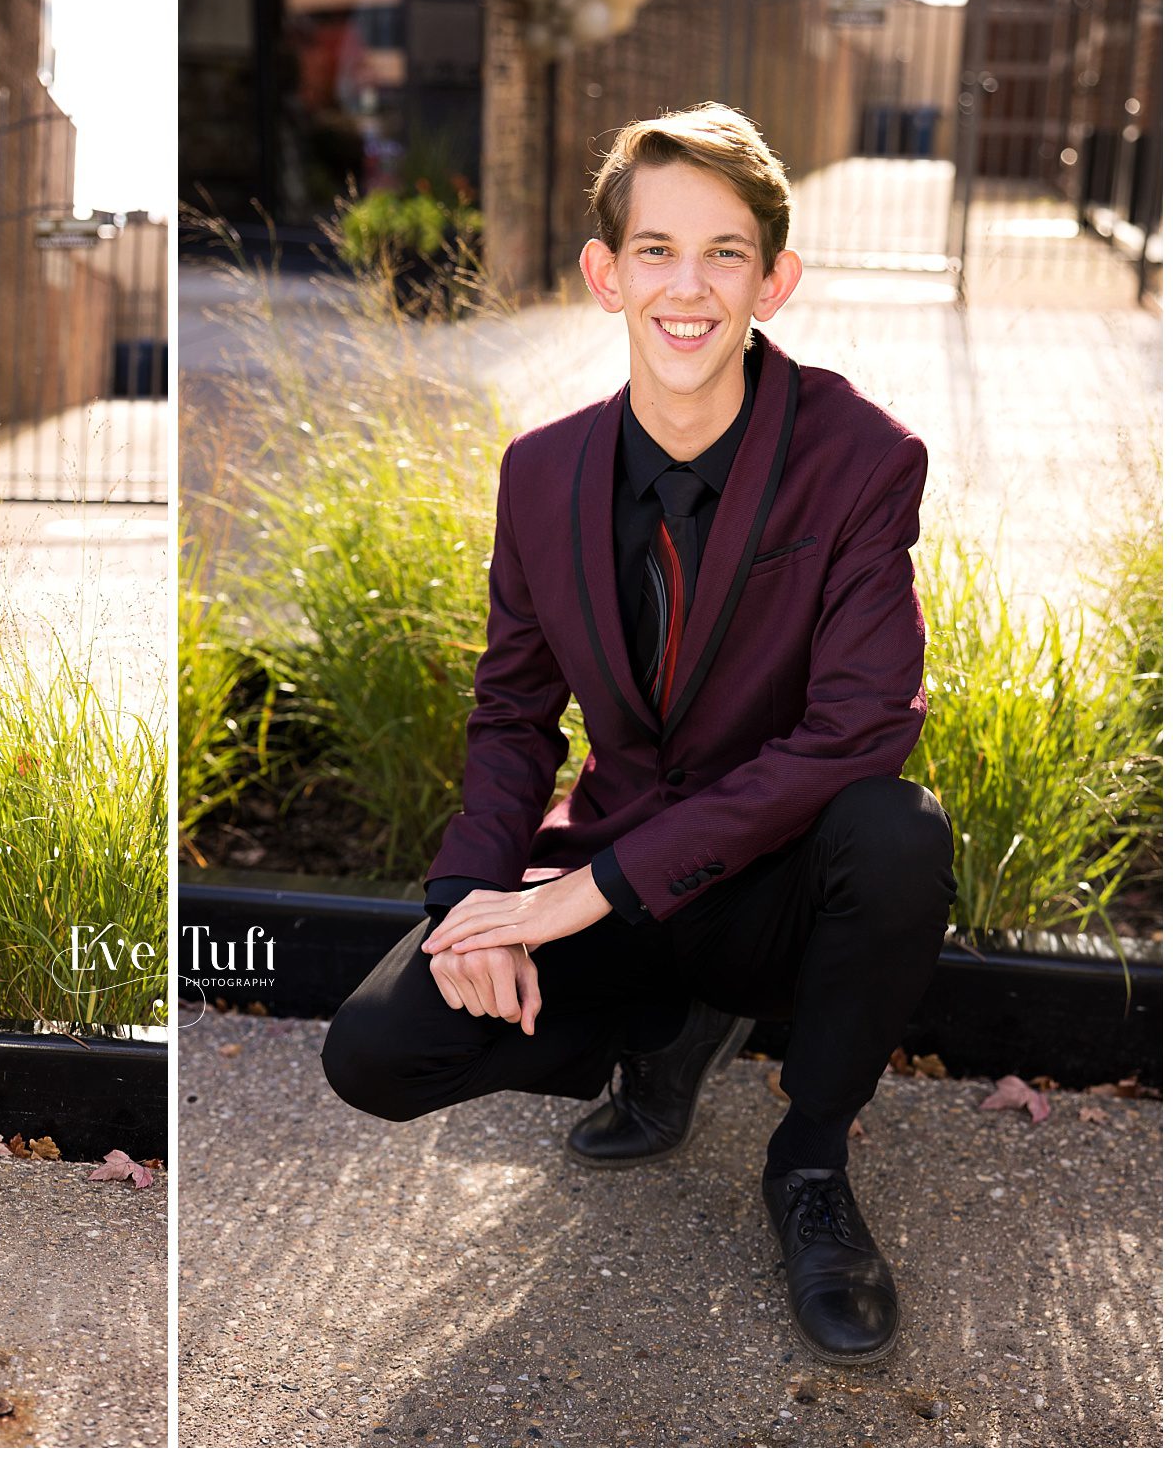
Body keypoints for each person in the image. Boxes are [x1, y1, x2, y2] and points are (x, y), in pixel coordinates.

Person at [319, 104, 956, 1367]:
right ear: (604, 274)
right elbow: (512, 709)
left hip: (775, 885)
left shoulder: (858, 458)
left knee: (898, 834)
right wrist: (472, 898)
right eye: (655, 249)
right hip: (620, 881)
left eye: (724, 254)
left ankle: (809, 1159)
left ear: (771, 281)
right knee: (376, 1053)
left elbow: (857, 731)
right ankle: (665, 1037)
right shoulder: (539, 471)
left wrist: (587, 895)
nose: (688, 285)